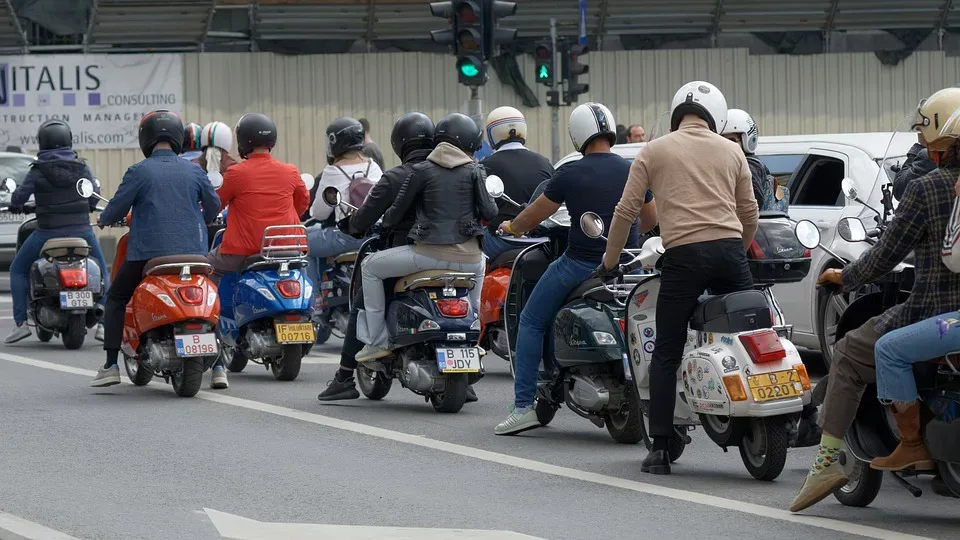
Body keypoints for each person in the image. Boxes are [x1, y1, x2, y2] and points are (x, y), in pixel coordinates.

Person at [790, 87, 960, 512]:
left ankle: (838, 460)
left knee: (849, 352)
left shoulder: (928, 189)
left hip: (930, 311)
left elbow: (885, 257)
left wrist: (844, 277)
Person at [598, 82, 759, 474]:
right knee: (749, 333)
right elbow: (749, 212)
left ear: (676, 114)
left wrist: (609, 261)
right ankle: (762, 417)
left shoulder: (653, 150)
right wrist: (738, 247)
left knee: (667, 351)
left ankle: (661, 449)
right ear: (715, 116)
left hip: (683, 257)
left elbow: (625, 212)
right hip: (729, 252)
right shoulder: (732, 150)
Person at [493, 102, 658, 436]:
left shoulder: (570, 172)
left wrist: (511, 227)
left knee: (530, 320)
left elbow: (532, 216)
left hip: (582, 263)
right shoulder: (633, 168)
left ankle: (523, 406)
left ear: (577, 135)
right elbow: (652, 218)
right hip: (630, 265)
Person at [317, 112, 474, 403]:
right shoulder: (457, 171)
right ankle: (464, 370)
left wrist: (351, 225)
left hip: (412, 252)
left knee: (365, 293)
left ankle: (345, 373)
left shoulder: (401, 175)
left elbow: (370, 217)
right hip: (466, 254)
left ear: (399, 143)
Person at [89, 110, 221, 387]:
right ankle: (220, 367)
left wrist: (105, 219)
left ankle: (111, 364)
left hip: (149, 256)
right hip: (195, 255)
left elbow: (117, 206)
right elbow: (213, 207)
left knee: (115, 298)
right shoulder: (195, 170)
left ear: (146, 138)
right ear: (177, 137)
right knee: (211, 298)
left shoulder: (139, 171)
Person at [354, 112, 498, 362]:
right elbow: (490, 212)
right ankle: (472, 334)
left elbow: (393, 216)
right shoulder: (476, 170)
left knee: (370, 267)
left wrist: (386, 223)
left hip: (428, 256)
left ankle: (376, 342)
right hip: (471, 260)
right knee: (478, 284)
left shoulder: (420, 171)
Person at [4, 120, 110, 344]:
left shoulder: (37, 170)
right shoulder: (81, 167)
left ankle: (21, 323)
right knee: (102, 270)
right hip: (82, 233)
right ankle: (102, 323)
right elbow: (92, 196)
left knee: (18, 269)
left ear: (42, 142)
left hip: (47, 233)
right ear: (68, 139)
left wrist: (16, 204)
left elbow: (18, 198)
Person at [307, 117, 384, 289]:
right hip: (375, 237)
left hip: (346, 237)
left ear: (336, 142)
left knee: (303, 242)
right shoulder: (374, 167)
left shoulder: (333, 171)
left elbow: (319, 213)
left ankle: (315, 298)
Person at [478, 106, 555, 260]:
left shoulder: (485, 165)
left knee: (470, 252)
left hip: (502, 239)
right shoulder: (544, 163)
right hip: (540, 239)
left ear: (493, 134)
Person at [720, 108, 787, 212]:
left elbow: (752, 202)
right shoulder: (727, 164)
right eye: (721, 140)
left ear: (747, 140)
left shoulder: (750, 166)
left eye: (731, 140)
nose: (726, 145)